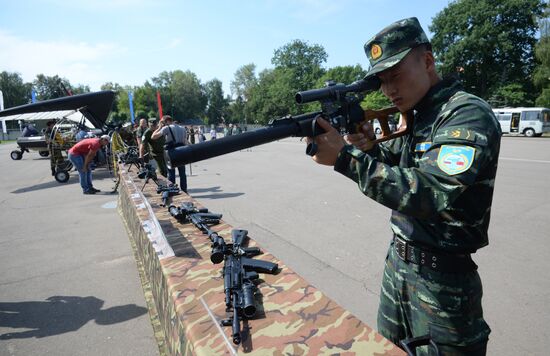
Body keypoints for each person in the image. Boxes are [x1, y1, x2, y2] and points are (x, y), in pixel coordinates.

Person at [307, 18, 500, 355]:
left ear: (427, 61)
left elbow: (429, 192)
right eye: (381, 81)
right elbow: (397, 168)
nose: (388, 90)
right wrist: (370, 149)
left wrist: (345, 158)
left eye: (395, 75)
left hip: (444, 287)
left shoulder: (465, 114)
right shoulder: (414, 115)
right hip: (398, 267)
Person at [151, 115, 188, 192]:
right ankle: (184, 190)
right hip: (181, 151)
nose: (162, 124)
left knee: (171, 173)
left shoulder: (166, 128)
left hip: (171, 152)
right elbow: (185, 142)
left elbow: (153, 137)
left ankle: (172, 188)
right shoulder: (182, 128)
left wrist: (159, 127)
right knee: (182, 173)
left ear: (166, 121)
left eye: (162, 122)